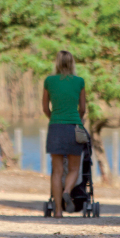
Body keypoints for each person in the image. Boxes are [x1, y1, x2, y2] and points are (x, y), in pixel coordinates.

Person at [42, 50, 86, 218]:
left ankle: (58, 211)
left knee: (57, 171)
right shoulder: (79, 81)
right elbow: (82, 108)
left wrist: (53, 118)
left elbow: (45, 108)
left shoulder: (49, 81)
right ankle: (67, 190)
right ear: (72, 63)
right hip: (73, 127)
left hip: (56, 128)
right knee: (74, 168)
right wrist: (78, 119)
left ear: (57, 63)